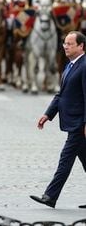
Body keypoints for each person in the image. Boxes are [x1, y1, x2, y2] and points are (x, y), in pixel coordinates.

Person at [30, 30, 86, 208]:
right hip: (72, 121)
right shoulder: (70, 65)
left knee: (65, 158)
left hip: (79, 124)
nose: (65, 47)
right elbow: (61, 94)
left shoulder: (85, 66)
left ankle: (50, 196)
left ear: (81, 46)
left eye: (69, 44)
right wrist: (48, 114)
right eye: (64, 44)